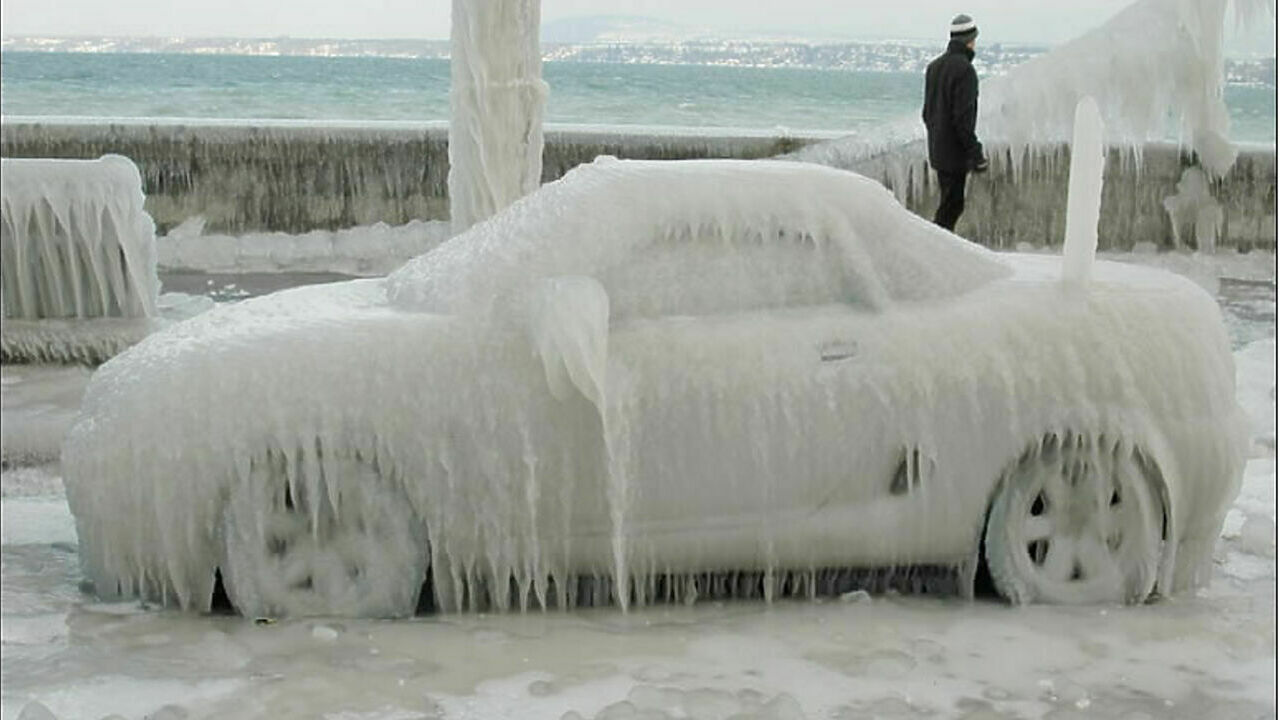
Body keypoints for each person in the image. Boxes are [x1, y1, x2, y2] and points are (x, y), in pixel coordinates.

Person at [922, 13, 989, 232]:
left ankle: (936, 247)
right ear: (970, 40)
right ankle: (935, 250)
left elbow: (927, 113)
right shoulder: (965, 71)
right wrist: (976, 153)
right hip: (955, 153)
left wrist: (937, 137)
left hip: (937, 150)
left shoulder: (934, 67)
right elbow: (963, 119)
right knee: (952, 207)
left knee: (948, 203)